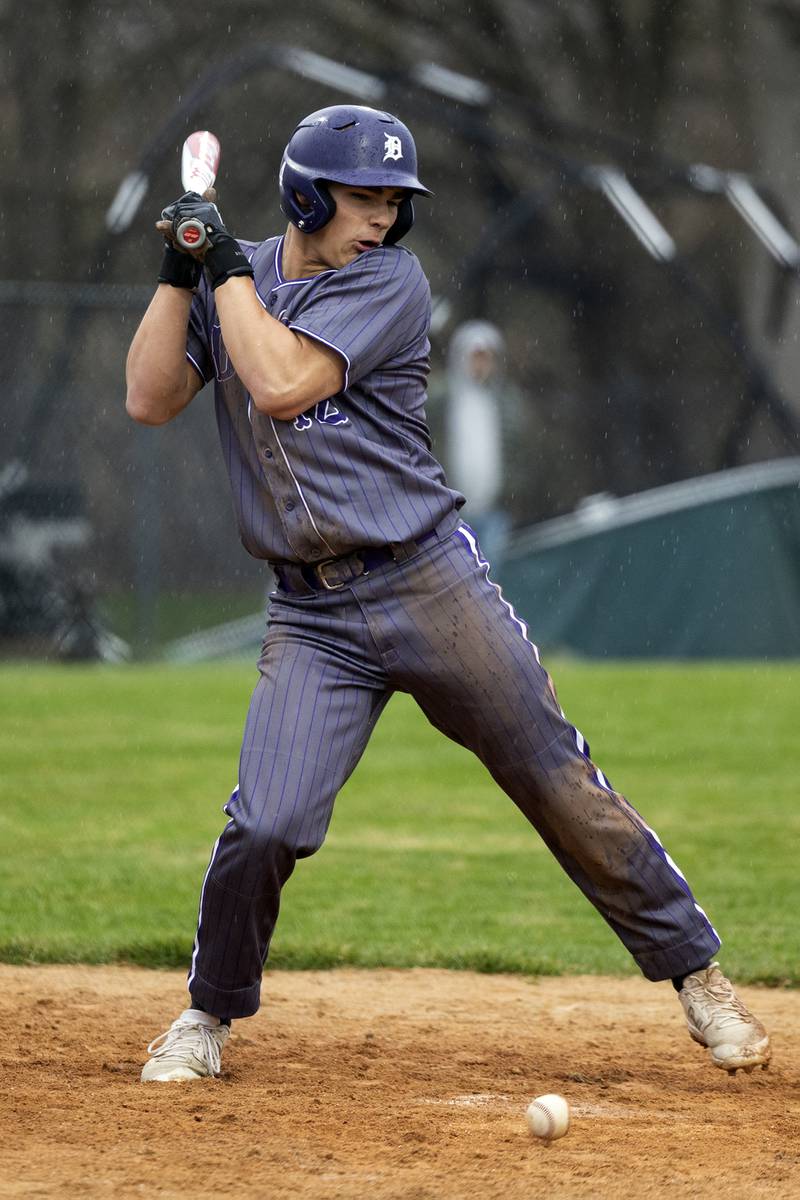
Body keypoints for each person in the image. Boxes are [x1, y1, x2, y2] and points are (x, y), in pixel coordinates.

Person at [125, 104, 770, 1083]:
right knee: (264, 821)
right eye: (363, 198)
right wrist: (182, 269)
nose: (381, 218)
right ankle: (205, 1017)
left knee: (552, 778)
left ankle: (696, 977)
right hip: (313, 616)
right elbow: (148, 396)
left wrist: (221, 267)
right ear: (305, 194)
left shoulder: (387, 282)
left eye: (393, 201)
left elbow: (282, 383)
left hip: (429, 581)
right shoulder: (235, 278)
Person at [428, 319, 524, 571]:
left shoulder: (506, 403)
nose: (480, 365)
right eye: (475, 357)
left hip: (495, 512)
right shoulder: (442, 400)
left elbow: (522, 455)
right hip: (452, 513)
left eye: (486, 358)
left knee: (491, 577)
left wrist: (513, 493)